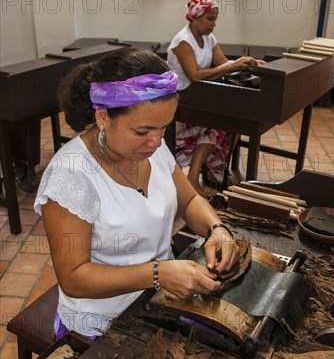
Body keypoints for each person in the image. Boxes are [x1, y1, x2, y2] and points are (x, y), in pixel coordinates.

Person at [34, 47, 240, 339]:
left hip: (159, 298)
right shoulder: (71, 175)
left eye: (164, 127)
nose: (156, 142)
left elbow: (190, 199)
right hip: (105, 317)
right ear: (103, 116)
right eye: (143, 131)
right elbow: (74, 278)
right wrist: (158, 273)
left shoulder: (150, 147)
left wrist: (216, 229)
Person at [167, 0, 265, 196]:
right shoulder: (183, 41)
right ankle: (193, 179)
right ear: (195, 17)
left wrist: (248, 63)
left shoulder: (208, 38)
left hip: (199, 95)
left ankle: (214, 174)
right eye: (210, 19)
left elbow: (223, 63)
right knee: (217, 123)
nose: (213, 24)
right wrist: (234, 65)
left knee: (231, 121)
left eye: (215, 20)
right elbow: (194, 75)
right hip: (181, 100)